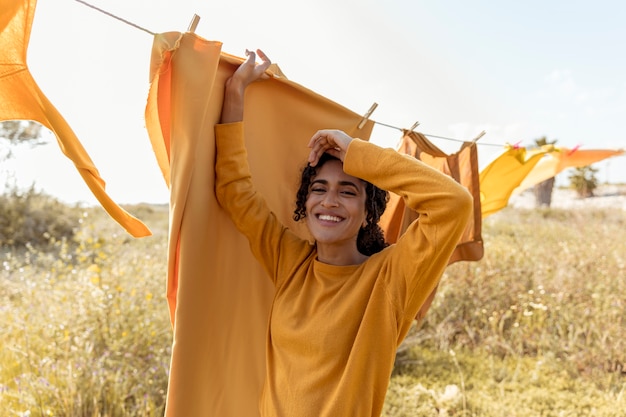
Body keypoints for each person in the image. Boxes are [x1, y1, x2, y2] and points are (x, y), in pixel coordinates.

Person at [215, 49, 473, 417]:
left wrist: (355, 151)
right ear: (306, 202)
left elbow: (454, 203)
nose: (329, 201)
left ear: (369, 211)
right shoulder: (290, 261)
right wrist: (235, 93)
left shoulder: (389, 280)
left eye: (348, 191)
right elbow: (234, 191)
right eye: (319, 189)